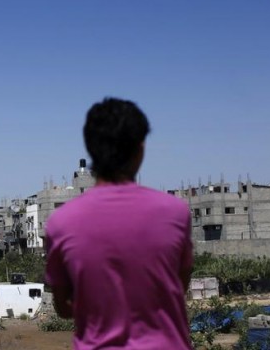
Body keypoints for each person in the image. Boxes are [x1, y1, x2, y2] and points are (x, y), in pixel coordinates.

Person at [45, 98, 192, 349]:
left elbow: (62, 306)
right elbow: (179, 285)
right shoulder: (176, 212)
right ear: (140, 148)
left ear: (90, 149)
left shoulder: (61, 222)